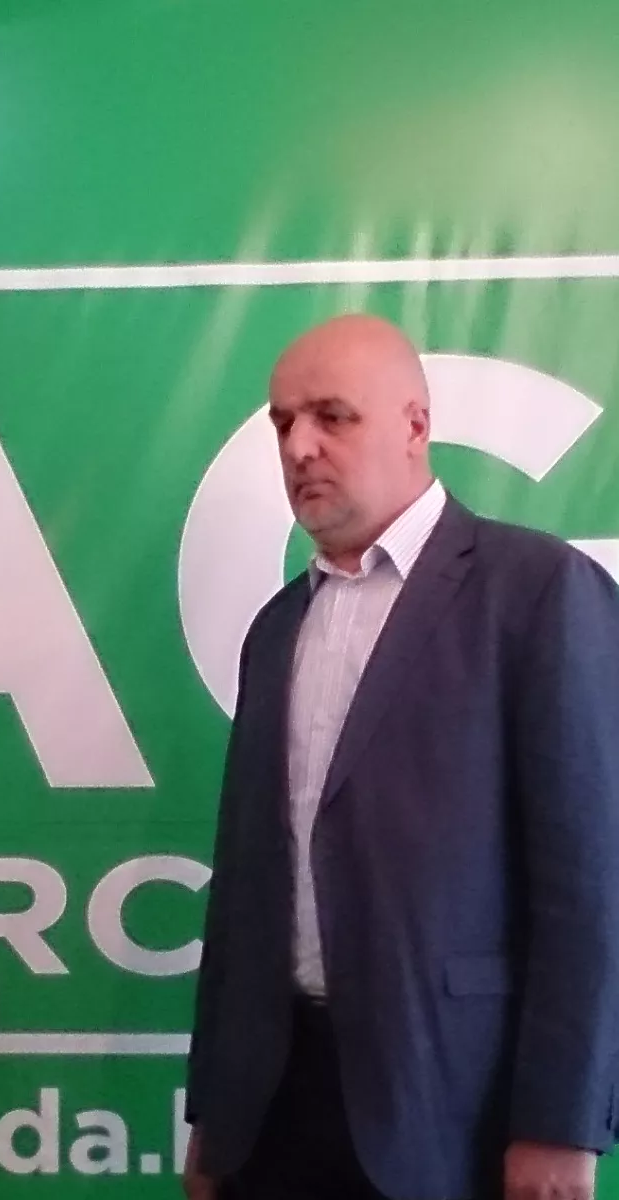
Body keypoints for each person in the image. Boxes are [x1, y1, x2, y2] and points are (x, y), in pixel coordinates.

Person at [182, 314, 619, 1200]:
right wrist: (212, 1122)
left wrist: (561, 1123)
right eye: (282, 422)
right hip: (270, 1110)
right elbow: (243, 888)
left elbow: (592, 885)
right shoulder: (276, 629)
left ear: (416, 425)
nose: (299, 447)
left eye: (331, 416)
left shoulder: (539, 592)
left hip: (453, 1108)